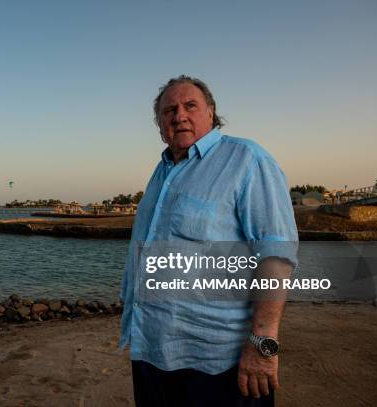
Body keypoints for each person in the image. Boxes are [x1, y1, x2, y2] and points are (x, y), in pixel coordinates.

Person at [119, 75, 298, 406]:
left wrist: (263, 346)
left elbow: (277, 256)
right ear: (160, 124)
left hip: (220, 360)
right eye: (169, 109)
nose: (179, 115)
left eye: (190, 106)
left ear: (211, 112)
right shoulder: (161, 172)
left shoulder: (247, 159)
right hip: (153, 351)